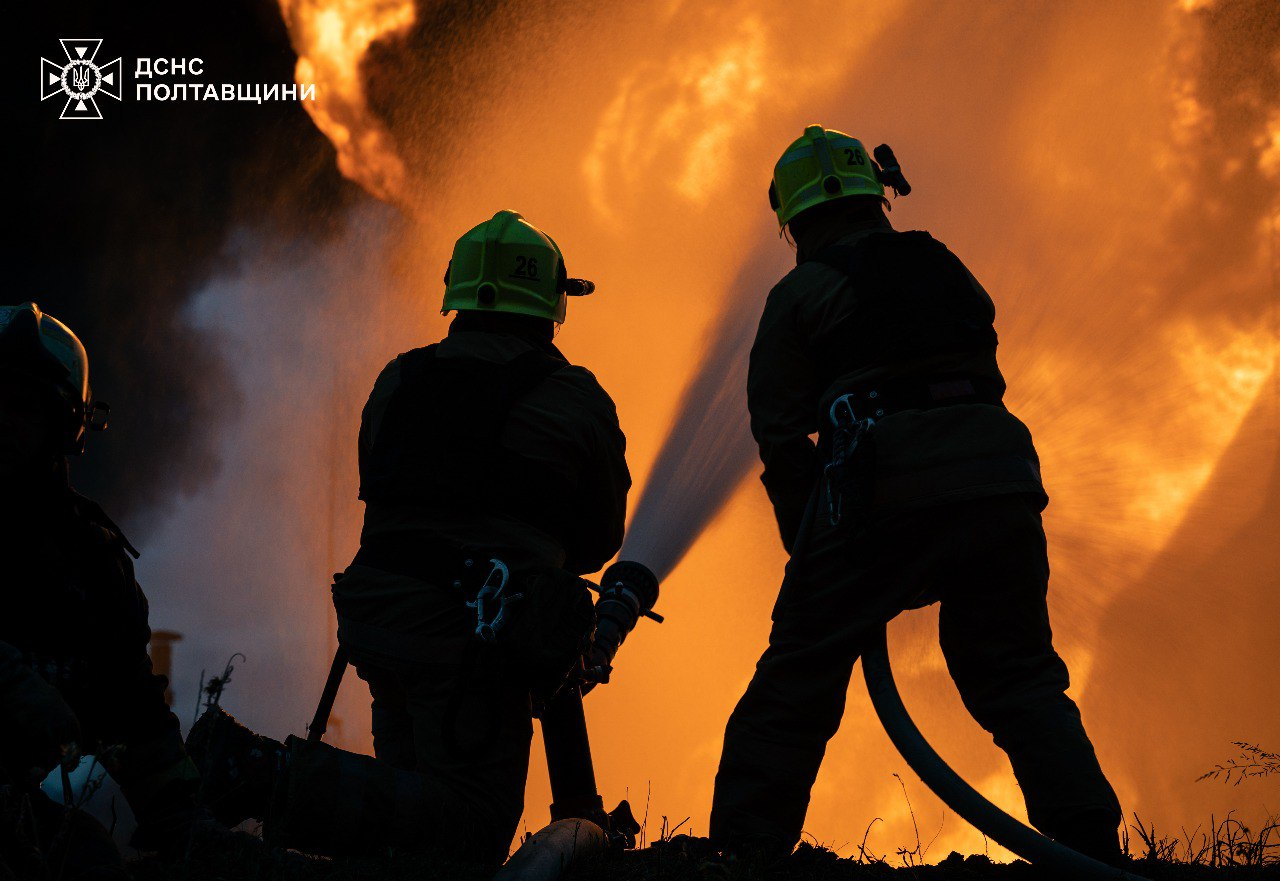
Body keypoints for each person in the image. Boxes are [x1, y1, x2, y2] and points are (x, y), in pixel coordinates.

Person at [709, 126, 1123, 864]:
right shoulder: (945, 265)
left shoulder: (799, 292)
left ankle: (741, 854)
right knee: (1017, 671)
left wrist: (811, 547)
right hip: (1000, 477)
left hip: (885, 481)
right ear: (878, 198)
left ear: (796, 220)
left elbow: (781, 436)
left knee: (800, 673)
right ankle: (1090, 847)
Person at [191, 210, 631, 866]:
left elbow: (385, 500)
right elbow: (598, 541)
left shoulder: (398, 379)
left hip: (378, 620)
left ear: (458, 295)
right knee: (471, 827)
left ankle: (276, 788)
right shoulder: (575, 396)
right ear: (550, 304)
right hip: (470, 640)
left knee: (407, 820)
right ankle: (263, 772)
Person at [0, 303, 201, 857]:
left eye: (21, 407)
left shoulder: (94, 562)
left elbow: (137, 718)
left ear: (65, 426)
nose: (0, 423)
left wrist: (181, 822)